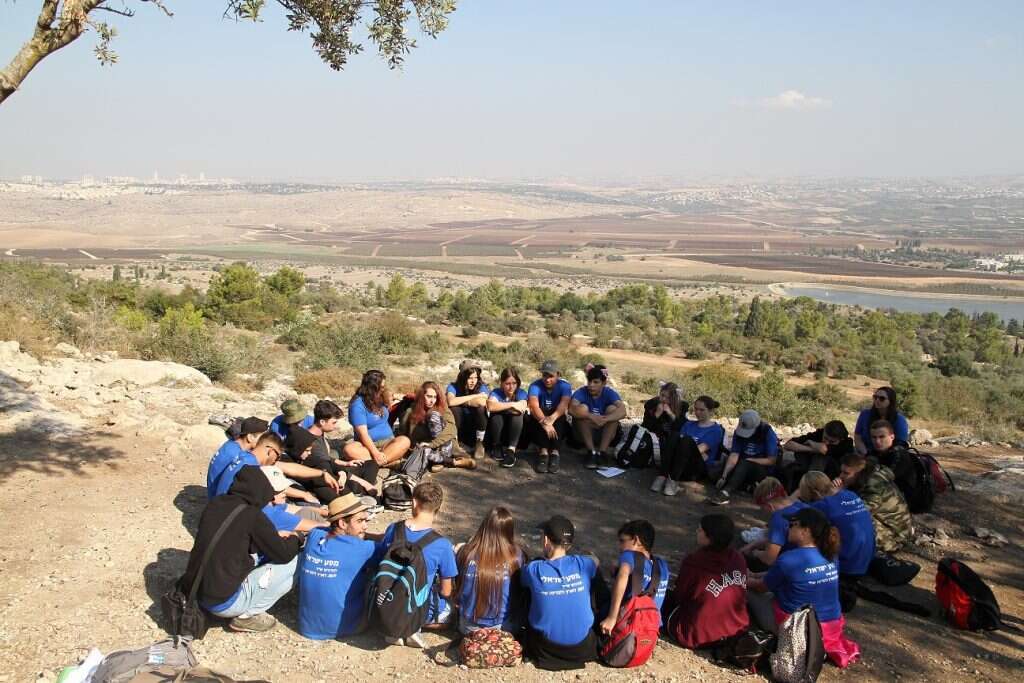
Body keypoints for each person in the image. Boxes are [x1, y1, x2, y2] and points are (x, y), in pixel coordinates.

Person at [180, 465, 301, 633]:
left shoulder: (217, 503)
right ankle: (246, 616)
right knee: (295, 561)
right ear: (262, 489)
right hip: (223, 603)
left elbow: (235, 538)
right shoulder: (253, 515)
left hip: (196, 592)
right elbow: (284, 555)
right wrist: (296, 538)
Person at [747, 507, 860, 668]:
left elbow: (761, 588)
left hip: (797, 630)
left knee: (744, 590)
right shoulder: (831, 555)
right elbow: (785, 575)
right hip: (829, 628)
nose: (788, 527)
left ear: (805, 531)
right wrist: (754, 574)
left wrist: (743, 579)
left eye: (793, 524)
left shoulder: (790, 559)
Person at [380, 482, 458, 648]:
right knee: (449, 611)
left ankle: (394, 626)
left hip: (387, 598)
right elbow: (446, 591)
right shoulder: (443, 545)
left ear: (414, 502)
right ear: (438, 508)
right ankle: (412, 627)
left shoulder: (393, 529)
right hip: (417, 606)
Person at [298, 493, 384, 640]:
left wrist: (361, 533)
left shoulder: (314, 536)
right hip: (345, 628)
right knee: (377, 571)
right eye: (360, 521)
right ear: (342, 524)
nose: (365, 525)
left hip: (306, 626)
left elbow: (327, 530)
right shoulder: (363, 549)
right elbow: (387, 545)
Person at [520, 515, 599, 671]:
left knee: (530, 589)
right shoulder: (584, 564)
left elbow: (521, 581)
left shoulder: (534, 569)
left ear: (546, 541)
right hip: (582, 647)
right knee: (591, 581)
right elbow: (596, 561)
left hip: (545, 648)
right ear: (569, 545)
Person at [663, 514, 749, 650]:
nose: (697, 531)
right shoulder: (737, 558)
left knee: (662, 599)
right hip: (734, 630)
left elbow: (680, 596)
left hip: (697, 634)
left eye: (700, 530)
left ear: (710, 538)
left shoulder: (694, 562)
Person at [455, 506, 526, 635]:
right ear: (509, 531)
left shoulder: (465, 552)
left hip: (469, 628)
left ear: (484, 527)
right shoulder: (517, 556)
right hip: (503, 628)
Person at [598, 519, 670, 636]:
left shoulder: (629, 555)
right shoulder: (662, 566)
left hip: (625, 625)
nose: (620, 547)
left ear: (636, 540)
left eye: (622, 541)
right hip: (650, 629)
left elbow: (623, 575)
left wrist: (612, 617)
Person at [799, 472, 876, 579]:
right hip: (867, 560)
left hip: (847, 567)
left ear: (815, 493)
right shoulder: (851, 494)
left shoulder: (821, 505)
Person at [839, 452, 913, 553]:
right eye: (841, 472)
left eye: (846, 473)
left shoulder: (874, 485)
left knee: (852, 524)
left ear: (859, 473)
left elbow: (858, 513)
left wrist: (839, 494)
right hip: (893, 526)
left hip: (896, 537)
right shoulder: (867, 477)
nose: (841, 476)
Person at [653, 395, 726, 496]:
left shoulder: (716, 430)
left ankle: (673, 481)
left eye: (702, 410)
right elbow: (681, 445)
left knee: (686, 440)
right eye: (696, 409)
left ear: (710, 411)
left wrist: (684, 447)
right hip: (680, 462)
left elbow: (700, 450)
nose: (697, 412)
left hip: (695, 469)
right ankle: (662, 476)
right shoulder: (688, 425)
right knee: (674, 435)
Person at [397, 381, 475, 471]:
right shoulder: (411, 411)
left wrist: (433, 444)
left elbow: (452, 429)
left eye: (435, 397)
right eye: (429, 396)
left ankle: (439, 458)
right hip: (425, 447)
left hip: (443, 446)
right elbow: (403, 433)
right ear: (422, 396)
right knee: (422, 450)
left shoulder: (442, 408)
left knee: (434, 416)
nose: (432, 400)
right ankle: (453, 462)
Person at [709, 410, 779, 506]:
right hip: (741, 466)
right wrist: (724, 476)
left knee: (744, 464)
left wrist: (749, 461)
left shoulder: (767, 433)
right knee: (716, 474)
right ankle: (747, 486)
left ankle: (726, 492)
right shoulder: (738, 432)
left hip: (760, 468)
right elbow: (734, 454)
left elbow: (771, 460)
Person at [343, 369, 411, 466]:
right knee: (349, 450)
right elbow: (363, 434)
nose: (383, 389)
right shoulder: (357, 405)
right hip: (367, 446)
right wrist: (375, 453)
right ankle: (387, 461)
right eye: (381, 387)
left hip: (388, 442)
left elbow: (390, 405)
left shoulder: (380, 397)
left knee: (405, 440)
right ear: (372, 387)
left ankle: (377, 463)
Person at [741, 477, 807, 571]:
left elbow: (769, 559)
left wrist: (755, 552)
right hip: (817, 562)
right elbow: (780, 540)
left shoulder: (779, 518)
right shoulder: (803, 506)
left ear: (769, 506)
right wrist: (754, 544)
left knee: (746, 561)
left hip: (798, 567)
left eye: (762, 508)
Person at [569, 363, 627, 470]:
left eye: (596, 382)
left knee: (613, 410)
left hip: (603, 432)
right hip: (584, 433)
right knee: (582, 409)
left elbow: (623, 411)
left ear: (604, 383)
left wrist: (605, 419)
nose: (591, 385)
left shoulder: (609, 393)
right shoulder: (581, 392)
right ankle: (591, 452)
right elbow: (571, 409)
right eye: (589, 381)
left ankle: (602, 453)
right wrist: (591, 416)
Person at [780, 420, 854, 493]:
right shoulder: (819, 434)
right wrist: (810, 448)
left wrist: (812, 444)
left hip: (832, 477)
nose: (827, 442)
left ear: (841, 439)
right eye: (825, 438)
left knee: (821, 457)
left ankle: (810, 488)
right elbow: (788, 445)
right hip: (807, 470)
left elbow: (824, 449)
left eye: (832, 442)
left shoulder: (847, 444)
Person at [527, 360, 573, 474]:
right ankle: (543, 451)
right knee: (539, 414)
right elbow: (533, 405)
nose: (547, 379)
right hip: (541, 418)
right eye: (544, 375)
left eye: (551, 376)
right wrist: (544, 422)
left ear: (558, 375)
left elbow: (564, 405)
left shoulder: (565, 386)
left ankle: (555, 452)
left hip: (555, 419)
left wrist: (551, 419)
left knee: (559, 416)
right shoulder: (535, 386)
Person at [206, 417, 269, 499]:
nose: (265, 441)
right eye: (263, 438)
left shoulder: (231, 444)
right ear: (250, 437)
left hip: (214, 494)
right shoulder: (239, 455)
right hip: (220, 500)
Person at [486, 367, 529, 469]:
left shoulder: (521, 392)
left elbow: (522, 407)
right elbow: (491, 406)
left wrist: (501, 406)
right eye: (507, 384)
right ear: (501, 383)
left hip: (515, 434)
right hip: (499, 432)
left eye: (514, 383)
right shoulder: (496, 392)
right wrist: (512, 405)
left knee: (517, 414)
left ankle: (511, 451)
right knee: (496, 414)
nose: (511, 387)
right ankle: (497, 445)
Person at [446, 360, 490, 459]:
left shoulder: (481, 386)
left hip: (475, 425)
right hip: (459, 425)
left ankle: (480, 442)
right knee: (454, 408)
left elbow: (482, 402)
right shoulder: (453, 386)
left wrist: (461, 401)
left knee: (480, 409)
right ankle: (454, 442)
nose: (473, 381)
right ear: (463, 377)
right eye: (470, 378)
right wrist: (474, 397)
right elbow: (451, 401)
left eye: (475, 378)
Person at [854, 386, 910, 455]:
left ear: (890, 401)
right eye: (875, 397)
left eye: (882, 398)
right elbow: (857, 437)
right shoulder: (865, 415)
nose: (877, 400)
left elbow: (901, 444)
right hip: (865, 453)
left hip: (890, 456)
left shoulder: (899, 420)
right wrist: (866, 453)